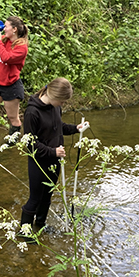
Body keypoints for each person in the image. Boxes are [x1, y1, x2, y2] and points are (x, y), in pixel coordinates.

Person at [20, 77, 86, 233]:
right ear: (55, 96)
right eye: (62, 102)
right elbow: (30, 143)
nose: (63, 105)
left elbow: (58, 127)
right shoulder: (32, 112)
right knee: (35, 199)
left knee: (47, 196)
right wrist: (52, 151)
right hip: (38, 162)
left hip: (55, 160)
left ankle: (40, 225)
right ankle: (24, 232)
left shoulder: (55, 107)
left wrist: (76, 128)